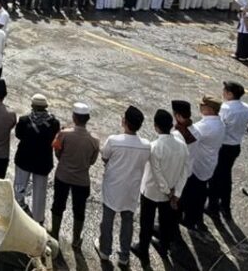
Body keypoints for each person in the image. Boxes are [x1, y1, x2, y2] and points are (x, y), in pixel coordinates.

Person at [96, 106, 150, 266]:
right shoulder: (146, 145)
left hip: (113, 186)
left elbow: (105, 158)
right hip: (131, 189)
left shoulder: (113, 141)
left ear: (124, 121)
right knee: (127, 222)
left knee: (107, 220)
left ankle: (105, 251)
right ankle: (124, 255)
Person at [135, 110, 190, 259]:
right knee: (166, 222)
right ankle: (163, 248)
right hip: (170, 193)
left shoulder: (154, 146)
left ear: (155, 126)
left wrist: (167, 191)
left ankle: (143, 249)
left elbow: (157, 173)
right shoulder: (181, 145)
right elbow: (185, 171)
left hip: (152, 191)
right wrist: (176, 192)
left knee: (146, 222)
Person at [50, 102, 100, 248]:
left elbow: (57, 151)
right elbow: (92, 160)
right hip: (82, 179)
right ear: (88, 119)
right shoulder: (94, 140)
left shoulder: (63, 134)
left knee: (58, 204)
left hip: (63, 175)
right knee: (79, 209)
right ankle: (76, 239)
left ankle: (54, 233)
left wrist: (64, 161)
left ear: (74, 117)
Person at [176, 96, 224, 229]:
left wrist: (183, 123)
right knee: (200, 192)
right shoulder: (219, 123)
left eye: (202, 105)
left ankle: (189, 219)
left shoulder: (205, 126)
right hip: (208, 163)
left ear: (209, 109)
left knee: (191, 194)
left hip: (198, 165)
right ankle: (196, 218)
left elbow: (186, 137)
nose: (200, 107)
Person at [14, 94, 60, 226]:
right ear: (45, 107)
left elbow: (18, 135)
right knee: (40, 191)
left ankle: (19, 209)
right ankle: (38, 218)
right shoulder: (54, 123)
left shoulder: (24, 121)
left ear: (32, 106)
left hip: (24, 159)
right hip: (43, 161)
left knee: (20, 186)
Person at [208, 82, 248, 217]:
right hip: (235, 145)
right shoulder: (247, 108)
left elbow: (218, 126)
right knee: (226, 175)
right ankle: (225, 205)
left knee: (215, 177)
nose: (223, 92)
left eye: (225, 91)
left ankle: (212, 206)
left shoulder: (225, 108)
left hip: (222, 145)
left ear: (230, 94)